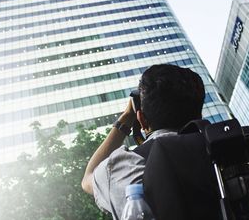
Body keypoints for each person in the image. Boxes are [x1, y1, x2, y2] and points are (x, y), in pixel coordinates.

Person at [81, 64, 205, 219]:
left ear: (142, 120)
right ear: (199, 114)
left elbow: (88, 179)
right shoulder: (230, 146)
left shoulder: (125, 167)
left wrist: (127, 116)